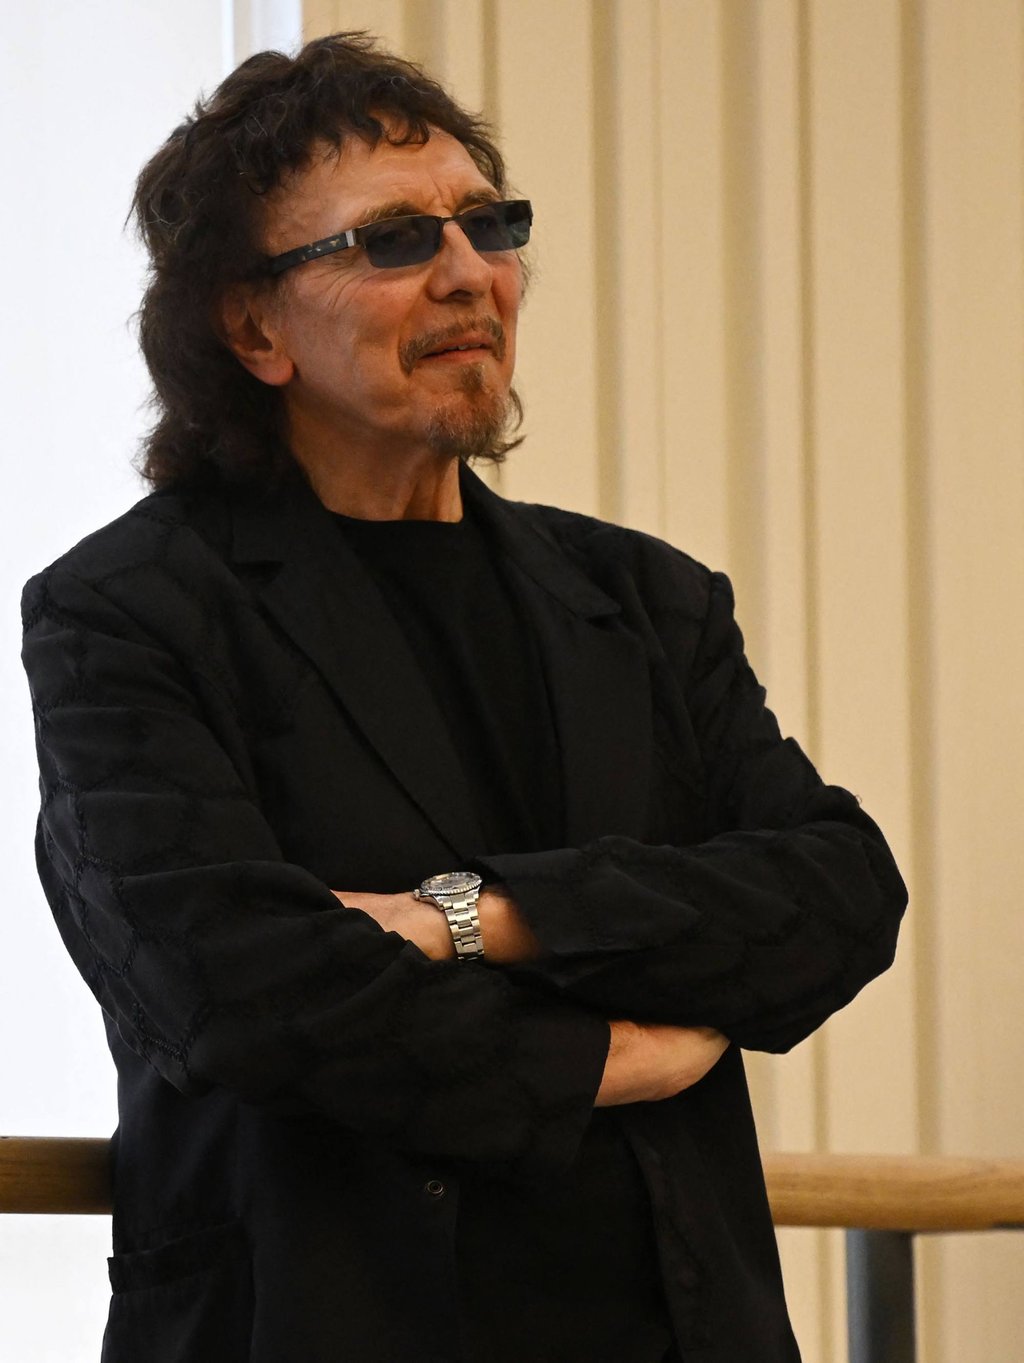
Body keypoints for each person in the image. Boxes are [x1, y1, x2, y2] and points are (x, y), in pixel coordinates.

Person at [21, 32, 906, 1363]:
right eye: (389, 241)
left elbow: (837, 893)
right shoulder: (130, 611)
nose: (468, 273)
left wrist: (479, 919)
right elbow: (242, 990)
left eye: (488, 225)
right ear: (252, 326)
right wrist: (608, 1058)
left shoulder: (649, 600)